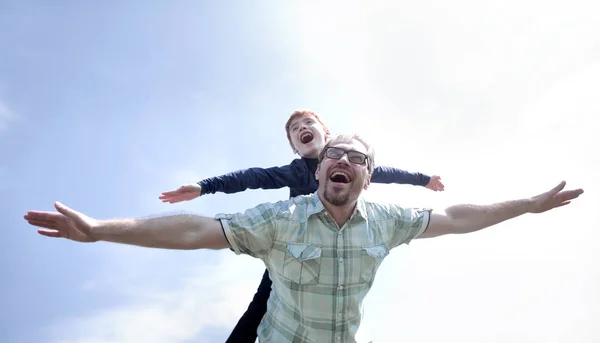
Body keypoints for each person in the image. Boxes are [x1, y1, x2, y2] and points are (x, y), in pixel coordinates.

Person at [24, 134, 583, 343]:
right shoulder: (280, 218)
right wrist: (101, 231)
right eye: (333, 154)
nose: (342, 161)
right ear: (316, 171)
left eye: (356, 159)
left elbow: (459, 217)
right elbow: (198, 230)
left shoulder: (387, 220)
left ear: (368, 175)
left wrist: (528, 205)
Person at [158, 110, 445, 342]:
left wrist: (425, 179)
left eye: (308, 123)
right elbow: (253, 177)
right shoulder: (296, 171)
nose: (301, 128)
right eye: (295, 130)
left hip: (342, 248)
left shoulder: (350, 161)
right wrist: (204, 187)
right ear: (295, 147)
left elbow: (390, 173)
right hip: (296, 253)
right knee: (261, 304)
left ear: (326, 134)